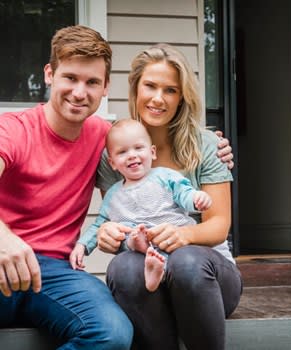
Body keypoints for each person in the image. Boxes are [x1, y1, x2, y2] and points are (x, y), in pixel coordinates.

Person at [96, 43, 243, 350]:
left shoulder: (206, 145)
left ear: (181, 97)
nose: (158, 98)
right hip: (147, 276)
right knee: (122, 268)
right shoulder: (115, 153)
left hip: (207, 277)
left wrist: (183, 234)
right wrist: (111, 235)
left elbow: (218, 226)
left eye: (171, 90)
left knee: (186, 262)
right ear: (135, 88)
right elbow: (118, 223)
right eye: (150, 86)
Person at [0, 25, 134, 349]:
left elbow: (159, 154)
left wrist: (210, 147)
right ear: (49, 74)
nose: (79, 92)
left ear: (105, 88)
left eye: (91, 82)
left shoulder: (106, 137)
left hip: (54, 276)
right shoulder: (14, 130)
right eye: (70, 78)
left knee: (113, 334)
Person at [70, 118, 212, 293]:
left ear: (152, 152)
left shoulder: (165, 176)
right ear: (112, 163)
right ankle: (148, 257)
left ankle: (157, 268)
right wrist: (82, 245)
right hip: (141, 245)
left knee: (178, 255)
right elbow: (101, 224)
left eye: (138, 148)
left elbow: (184, 193)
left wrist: (197, 198)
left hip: (173, 237)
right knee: (130, 232)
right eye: (122, 152)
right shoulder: (114, 194)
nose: (131, 155)